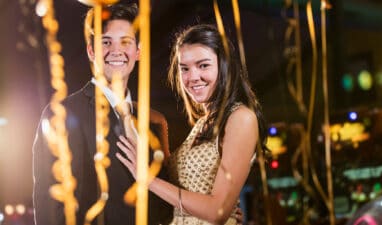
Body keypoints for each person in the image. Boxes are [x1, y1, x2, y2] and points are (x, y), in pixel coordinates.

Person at [32, 3, 172, 225]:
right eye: (106, 42)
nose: (116, 51)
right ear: (91, 51)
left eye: (125, 41)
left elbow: (165, 206)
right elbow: (50, 208)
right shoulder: (62, 113)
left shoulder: (153, 121)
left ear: (138, 51)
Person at [117, 24, 265, 225]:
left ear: (224, 66)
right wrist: (159, 123)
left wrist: (147, 179)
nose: (192, 77)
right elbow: (187, 192)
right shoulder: (204, 123)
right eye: (184, 69)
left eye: (203, 65)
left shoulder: (241, 117)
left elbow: (217, 211)